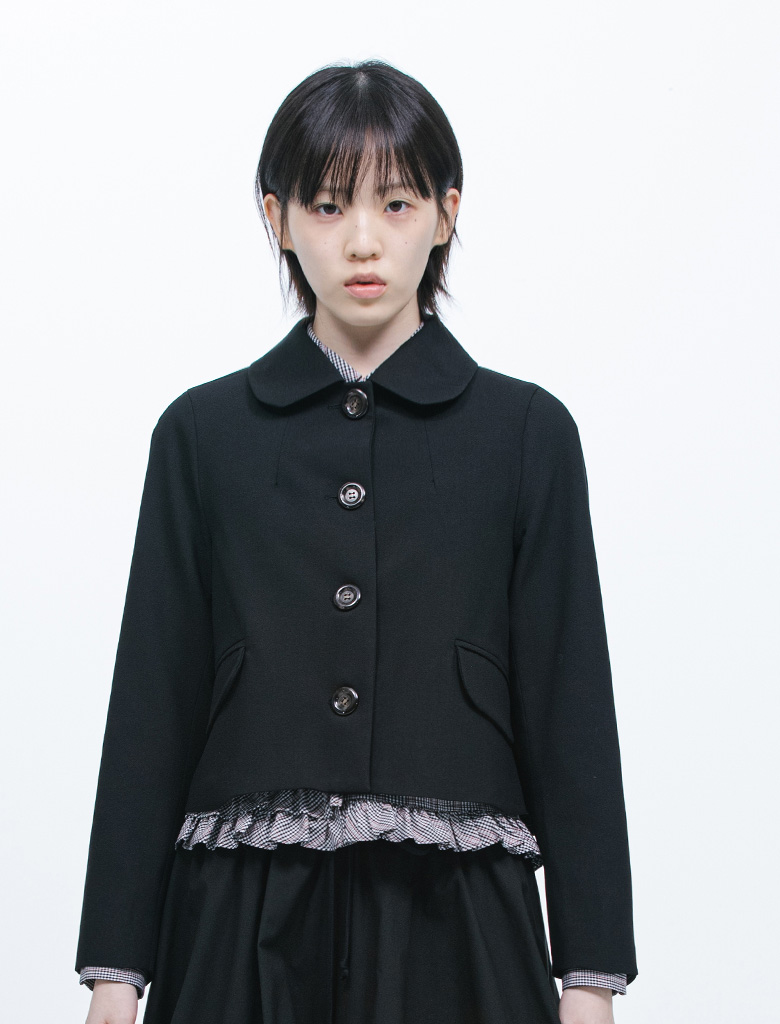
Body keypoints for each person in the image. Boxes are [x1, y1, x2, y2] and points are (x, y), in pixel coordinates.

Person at [75, 58, 638, 1024]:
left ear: (447, 213)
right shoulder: (203, 434)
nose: (364, 240)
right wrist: (115, 977)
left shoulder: (527, 435)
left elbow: (570, 704)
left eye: (398, 202)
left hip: (459, 915)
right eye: (329, 206)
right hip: (240, 915)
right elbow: (150, 702)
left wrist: (588, 979)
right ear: (277, 217)